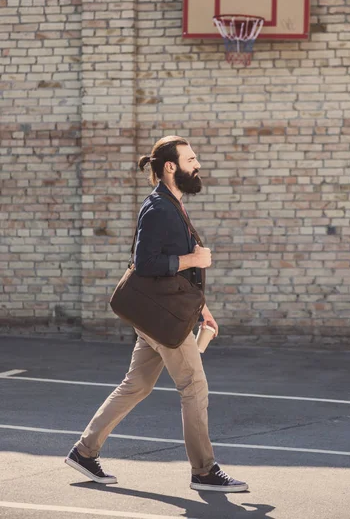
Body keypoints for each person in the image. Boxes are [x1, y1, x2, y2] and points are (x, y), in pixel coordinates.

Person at [65, 135, 248, 492]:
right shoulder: (158, 207)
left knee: (137, 385)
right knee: (194, 386)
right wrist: (194, 259)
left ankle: (84, 452)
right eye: (191, 159)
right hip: (164, 320)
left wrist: (202, 310)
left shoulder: (173, 204)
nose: (198, 165)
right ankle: (204, 471)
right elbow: (145, 264)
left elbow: (178, 276)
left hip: (163, 315)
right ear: (170, 167)